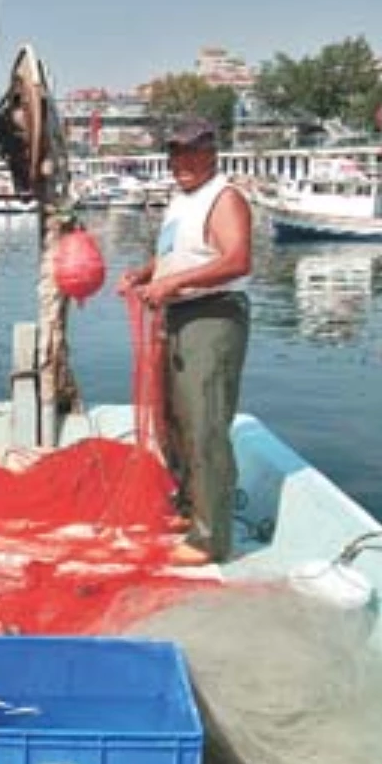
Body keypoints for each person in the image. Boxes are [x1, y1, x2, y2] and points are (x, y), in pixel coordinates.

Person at [118, 118, 252, 565]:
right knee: (172, 421)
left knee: (203, 421)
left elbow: (236, 259)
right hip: (177, 313)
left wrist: (173, 284)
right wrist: (146, 274)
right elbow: (178, 253)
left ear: (212, 152)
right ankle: (190, 507)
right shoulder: (181, 202)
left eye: (192, 151)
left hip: (211, 315)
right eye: (175, 152)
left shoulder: (224, 196)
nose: (182, 161)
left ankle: (210, 538)